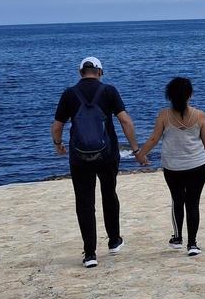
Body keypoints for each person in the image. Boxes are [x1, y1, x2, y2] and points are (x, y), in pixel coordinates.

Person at [51, 57, 141, 268]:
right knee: (109, 194)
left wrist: (58, 144)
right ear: (100, 71)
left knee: (84, 202)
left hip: (79, 156)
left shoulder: (69, 94)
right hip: (107, 154)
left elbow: (57, 126)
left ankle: (90, 253)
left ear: (80, 71)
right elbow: (125, 120)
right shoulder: (109, 91)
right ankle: (114, 241)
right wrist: (136, 148)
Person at [135, 77, 205, 256]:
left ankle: (178, 238)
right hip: (197, 165)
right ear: (190, 95)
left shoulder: (164, 115)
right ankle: (192, 244)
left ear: (169, 95)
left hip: (173, 167)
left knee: (177, 200)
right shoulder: (200, 115)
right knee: (193, 204)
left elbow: (154, 139)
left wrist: (141, 154)